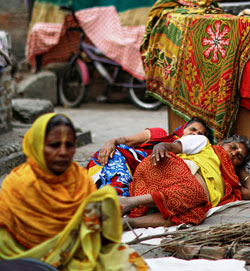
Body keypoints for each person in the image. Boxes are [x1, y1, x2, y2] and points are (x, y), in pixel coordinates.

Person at [0, 113, 148, 270]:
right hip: (25, 260)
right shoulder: (17, 185)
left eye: (69, 145)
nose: (63, 152)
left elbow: (94, 236)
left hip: (78, 257)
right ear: (36, 145)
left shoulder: (80, 180)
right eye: (54, 145)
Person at [120, 135, 250, 228]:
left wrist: (239, 167)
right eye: (233, 147)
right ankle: (128, 202)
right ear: (222, 143)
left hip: (184, 200)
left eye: (238, 156)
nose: (233, 153)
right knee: (193, 191)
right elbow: (171, 147)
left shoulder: (230, 186)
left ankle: (129, 223)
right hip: (162, 171)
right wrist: (162, 146)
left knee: (197, 214)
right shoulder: (205, 145)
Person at [87, 117, 213, 196]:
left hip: (146, 172)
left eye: (199, 134)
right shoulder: (158, 133)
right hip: (128, 159)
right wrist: (110, 142)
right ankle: (113, 195)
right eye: (192, 129)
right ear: (183, 128)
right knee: (109, 156)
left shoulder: (188, 154)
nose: (194, 134)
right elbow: (126, 140)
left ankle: (107, 196)